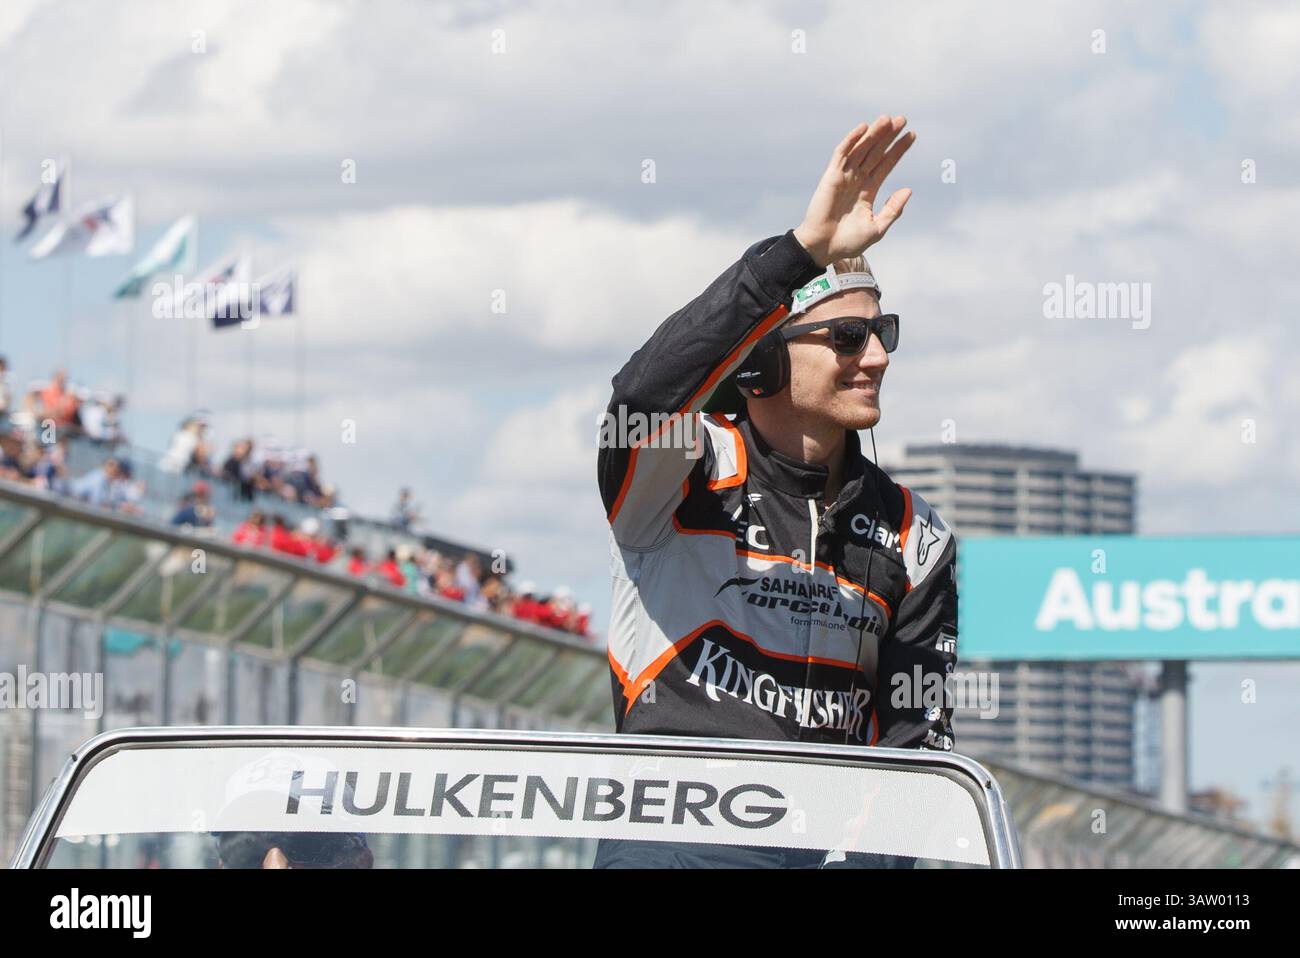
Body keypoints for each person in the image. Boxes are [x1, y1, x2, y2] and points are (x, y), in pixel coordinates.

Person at [593, 118, 958, 868]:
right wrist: (795, 255)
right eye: (849, 339)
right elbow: (641, 394)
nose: (880, 356)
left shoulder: (917, 536)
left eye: (883, 330)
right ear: (761, 366)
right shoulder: (687, 467)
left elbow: (916, 753)